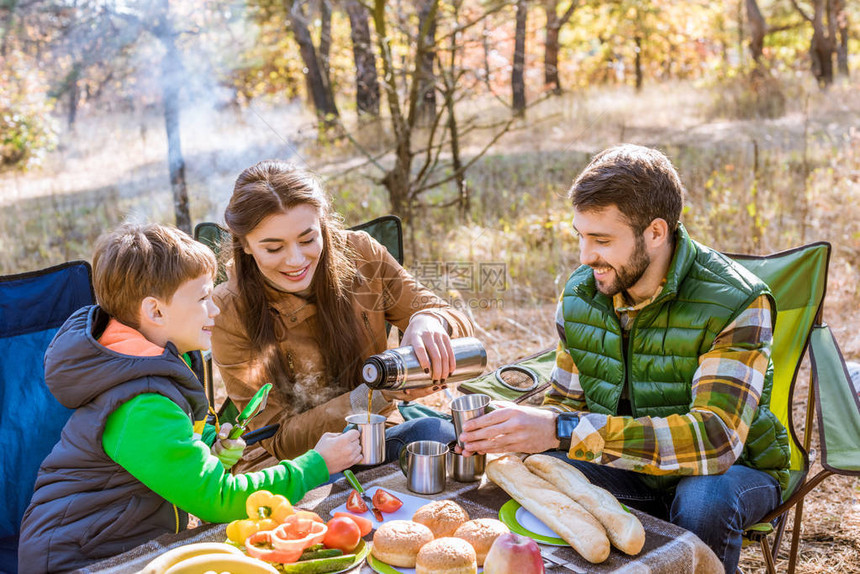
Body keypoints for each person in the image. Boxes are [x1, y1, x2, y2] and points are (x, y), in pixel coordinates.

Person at [459, 144, 789, 574]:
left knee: (702, 502)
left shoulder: (738, 302)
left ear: (655, 232)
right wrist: (524, 427)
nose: (585, 257)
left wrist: (562, 429)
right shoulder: (582, 294)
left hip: (731, 471)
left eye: (601, 240)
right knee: (535, 471)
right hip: (624, 467)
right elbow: (567, 402)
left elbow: (716, 439)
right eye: (580, 236)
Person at [18, 223, 361, 573]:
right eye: (202, 298)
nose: (215, 309)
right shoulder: (141, 405)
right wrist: (316, 464)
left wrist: (205, 446)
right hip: (84, 562)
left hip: (120, 543)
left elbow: (166, 456)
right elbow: (218, 498)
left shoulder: (148, 364)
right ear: (155, 312)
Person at [211, 160, 474, 471]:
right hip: (293, 468)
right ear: (245, 245)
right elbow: (279, 439)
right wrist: (376, 393)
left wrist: (429, 320)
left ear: (323, 223)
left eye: (308, 240)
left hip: (376, 434)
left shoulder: (362, 254)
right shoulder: (228, 310)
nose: (296, 260)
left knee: (443, 438)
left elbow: (451, 319)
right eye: (273, 248)